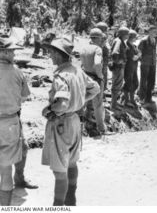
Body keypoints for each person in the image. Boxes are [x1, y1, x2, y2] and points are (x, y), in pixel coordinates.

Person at [41, 38, 100, 206]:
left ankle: (58, 206)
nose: (50, 54)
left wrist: (49, 110)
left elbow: (62, 104)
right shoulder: (77, 71)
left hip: (61, 123)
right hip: (74, 121)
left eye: (52, 51)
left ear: (59, 55)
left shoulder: (61, 76)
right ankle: (71, 200)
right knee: (72, 163)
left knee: (60, 171)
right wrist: (80, 101)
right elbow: (95, 88)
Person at [0, 37, 38, 206]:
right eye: (12, 51)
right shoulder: (17, 72)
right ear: (5, 52)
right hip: (9, 122)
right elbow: (25, 95)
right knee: (6, 171)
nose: (15, 53)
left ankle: (20, 179)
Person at [79, 28, 107, 137]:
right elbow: (97, 64)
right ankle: (101, 128)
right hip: (95, 77)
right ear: (99, 38)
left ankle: (81, 126)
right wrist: (100, 75)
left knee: (83, 101)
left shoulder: (83, 48)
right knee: (98, 104)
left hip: (85, 77)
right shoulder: (97, 49)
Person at [110, 26, 129, 111]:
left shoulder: (119, 40)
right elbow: (114, 53)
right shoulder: (119, 41)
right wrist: (119, 61)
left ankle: (114, 103)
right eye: (127, 34)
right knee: (116, 85)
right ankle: (113, 105)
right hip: (118, 67)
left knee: (117, 85)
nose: (128, 36)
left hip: (118, 67)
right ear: (123, 34)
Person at [138, 25, 157, 104]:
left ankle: (149, 98)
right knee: (144, 81)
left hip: (153, 63)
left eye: (155, 32)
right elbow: (138, 50)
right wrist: (141, 59)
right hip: (145, 63)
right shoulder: (144, 40)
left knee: (151, 81)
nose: (154, 33)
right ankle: (142, 98)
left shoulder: (154, 40)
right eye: (153, 31)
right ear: (149, 32)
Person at [123, 30, 141, 107]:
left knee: (135, 84)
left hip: (134, 68)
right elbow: (134, 58)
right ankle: (127, 101)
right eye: (135, 37)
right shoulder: (127, 46)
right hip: (128, 68)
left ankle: (131, 99)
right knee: (128, 84)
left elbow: (138, 55)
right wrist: (139, 55)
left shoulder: (133, 46)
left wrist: (138, 55)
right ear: (131, 38)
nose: (136, 39)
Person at [95, 22, 110, 92]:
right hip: (101, 64)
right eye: (106, 30)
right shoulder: (101, 38)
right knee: (101, 81)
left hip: (103, 63)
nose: (107, 31)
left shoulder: (100, 38)